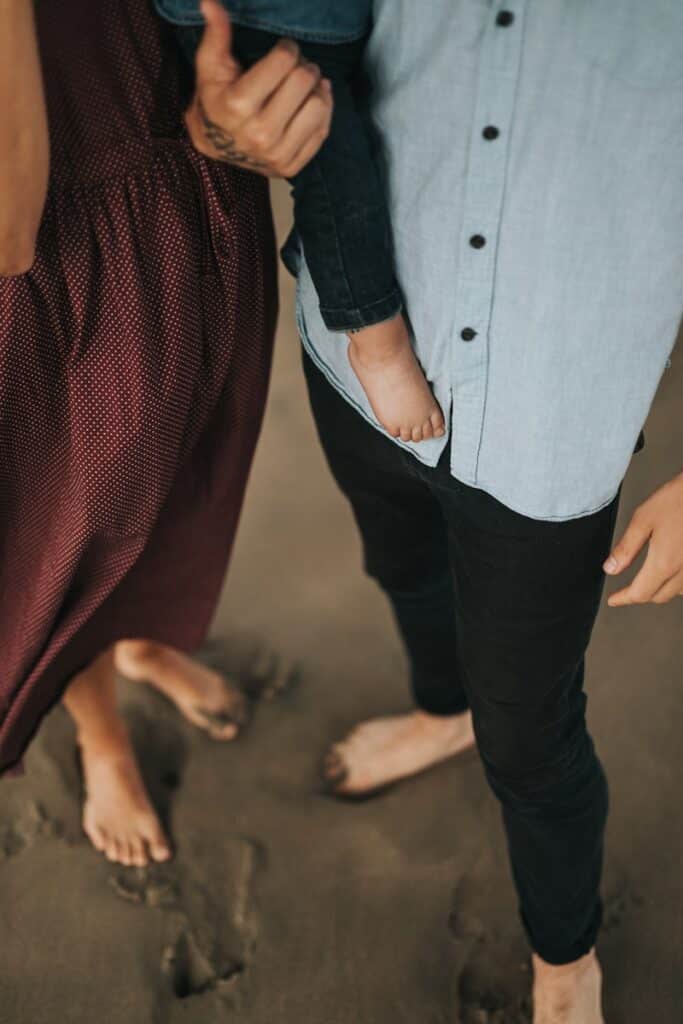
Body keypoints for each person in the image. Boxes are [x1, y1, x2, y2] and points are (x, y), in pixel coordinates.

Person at [186, 1, 683, 1021]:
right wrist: (219, 123)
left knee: (531, 737)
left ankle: (564, 959)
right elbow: (297, 41)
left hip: (556, 419)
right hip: (351, 348)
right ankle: (437, 709)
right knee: (402, 569)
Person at [0, 0, 330, 867]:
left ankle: (147, 641)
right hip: (60, 256)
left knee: (195, 466)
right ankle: (100, 728)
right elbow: (6, 229)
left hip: (193, 177)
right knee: (80, 532)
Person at [156, 0, 446, 443]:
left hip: (325, 20)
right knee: (334, 172)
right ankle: (376, 342)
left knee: (358, 152)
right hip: (270, 20)